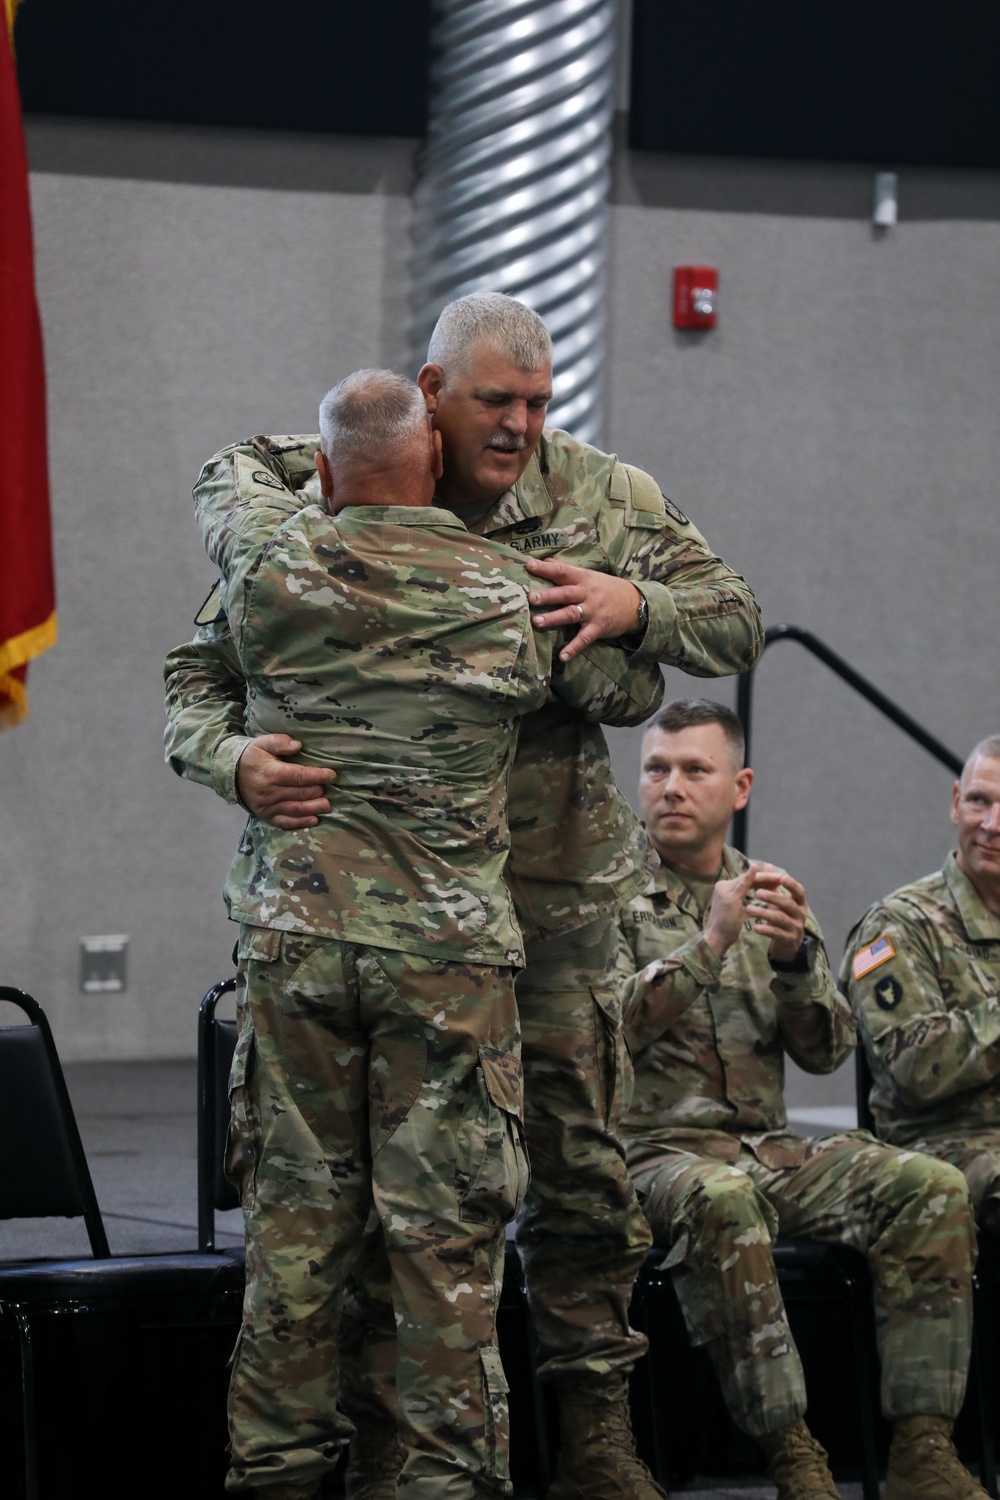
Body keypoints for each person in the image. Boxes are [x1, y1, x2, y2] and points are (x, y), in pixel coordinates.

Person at [165, 292, 764, 1500]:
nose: (522, 427)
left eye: (540, 403)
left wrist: (630, 604)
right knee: (412, 1217)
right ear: (429, 400)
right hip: (408, 921)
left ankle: (595, 1427)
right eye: (497, 401)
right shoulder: (360, 488)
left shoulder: (596, 496)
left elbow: (733, 620)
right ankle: (397, 1452)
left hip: (539, 904)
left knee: (577, 1169)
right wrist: (228, 757)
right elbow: (204, 663)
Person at [617, 698, 985, 1500]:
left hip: (770, 1152)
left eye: (694, 770)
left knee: (929, 1185)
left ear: (739, 786)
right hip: (653, 1157)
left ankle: (924, 1448)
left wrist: (790, 959)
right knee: (721, 1200)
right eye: (656, 769)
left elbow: (825, 1051)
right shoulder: (598, 899)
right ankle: (795, 1458)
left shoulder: (771, 894)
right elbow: (607, 1037)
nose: (671, 787)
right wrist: (709, 944)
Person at [842, 736, 1000, 1225]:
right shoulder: (896, 925)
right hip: (946, 1150)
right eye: (980, 801)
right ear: (956, 803)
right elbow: (915, 1069)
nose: (992, 825)